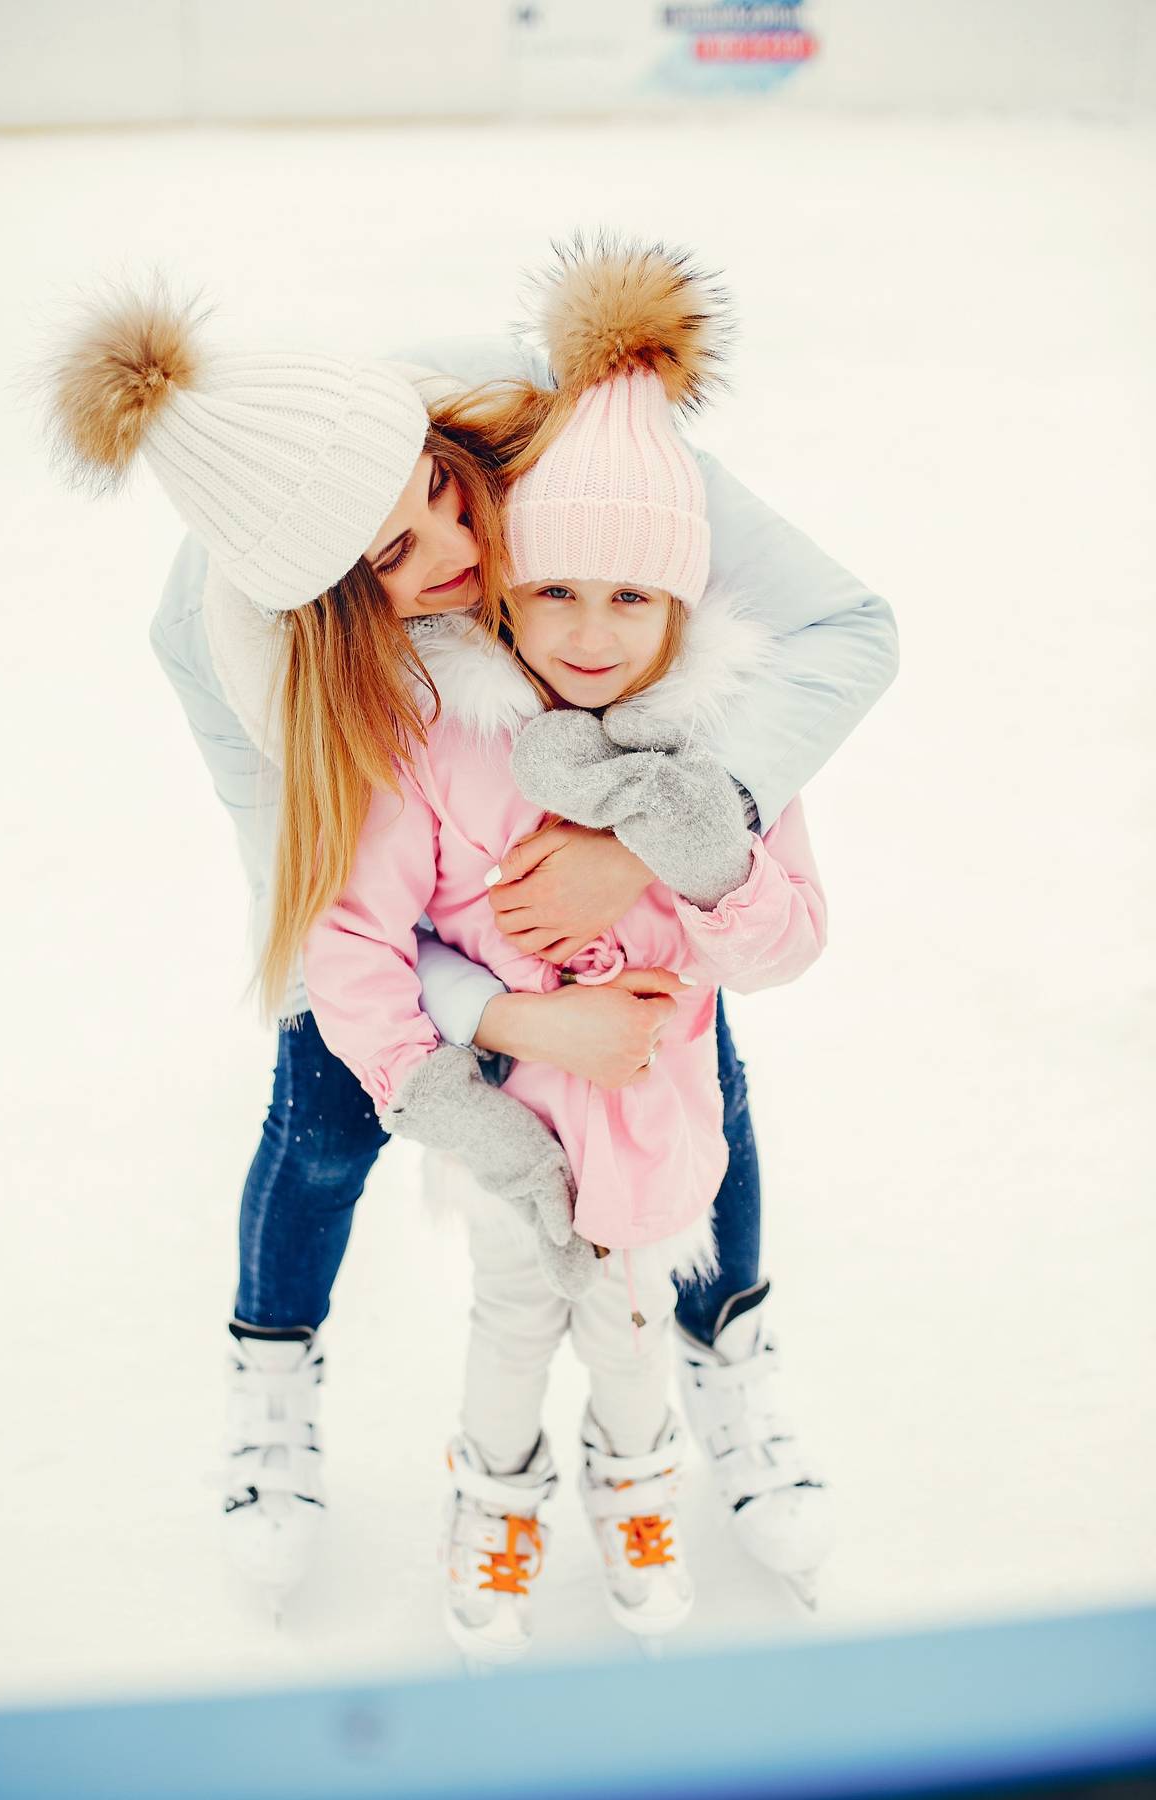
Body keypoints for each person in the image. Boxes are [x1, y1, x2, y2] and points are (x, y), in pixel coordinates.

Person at [46, 244, 897, 1615]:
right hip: (407, 900)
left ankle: (721, 1344)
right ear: (323, 598)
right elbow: (315, 903)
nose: (458, 552)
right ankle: (273, 1373)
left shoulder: (570, 442)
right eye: (392, 556)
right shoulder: (231, 648)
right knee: (322, 1117)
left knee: (692, 1084)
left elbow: (843, 631)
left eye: (444, 498)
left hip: (620, 860)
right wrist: (494, 1015)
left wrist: (643, 848)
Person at [302, 240, 830, 1659]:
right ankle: (495, 1496)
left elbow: (785, 941)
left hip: (657, 1133)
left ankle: (638, 1480)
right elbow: (355, 932)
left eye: (631, 597)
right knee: (512, 1319)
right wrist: (458, 1086)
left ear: (680, 605)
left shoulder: (721, 748)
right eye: (552, 593)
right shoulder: (443, 736)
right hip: (518, 1138)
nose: (589, 632)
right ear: (507, 595)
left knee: (636, 1321)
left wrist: (681, 836)